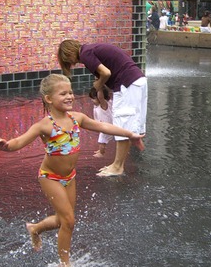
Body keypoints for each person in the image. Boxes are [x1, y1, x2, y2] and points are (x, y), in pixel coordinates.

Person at [0, 74, 144, 267]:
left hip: (70, 177)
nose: (69, 96)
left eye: (71, 92)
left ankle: (35, 228)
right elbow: (18, 142)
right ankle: (64, 266)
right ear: (48, 99)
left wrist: (129, 134)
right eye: (63, 93)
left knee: (63, 221)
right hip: (50, 177)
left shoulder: (77, 118)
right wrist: (6, 146)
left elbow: (103, 126)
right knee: (69, 221)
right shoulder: (44, 126)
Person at [58, 39, 147, 177]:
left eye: (68, 60)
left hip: (127, 83)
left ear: (69, 52)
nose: (72, 64)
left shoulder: (85, 54)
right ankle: (125, 152)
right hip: (137, 80)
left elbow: (106, 73)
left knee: (122, 123)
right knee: (127, 122)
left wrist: (96, 86)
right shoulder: (91, 49)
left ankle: (117, 166)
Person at [89, 84, 113, 157]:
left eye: (93, 98)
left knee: (102, 141)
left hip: (107, 127)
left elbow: (100, 97)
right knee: (103, 141)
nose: (91, 100)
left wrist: (99, 87)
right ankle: (101, 150)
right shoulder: (99, 105)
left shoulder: (104, 105)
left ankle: (101, 153)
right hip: (105, 126)